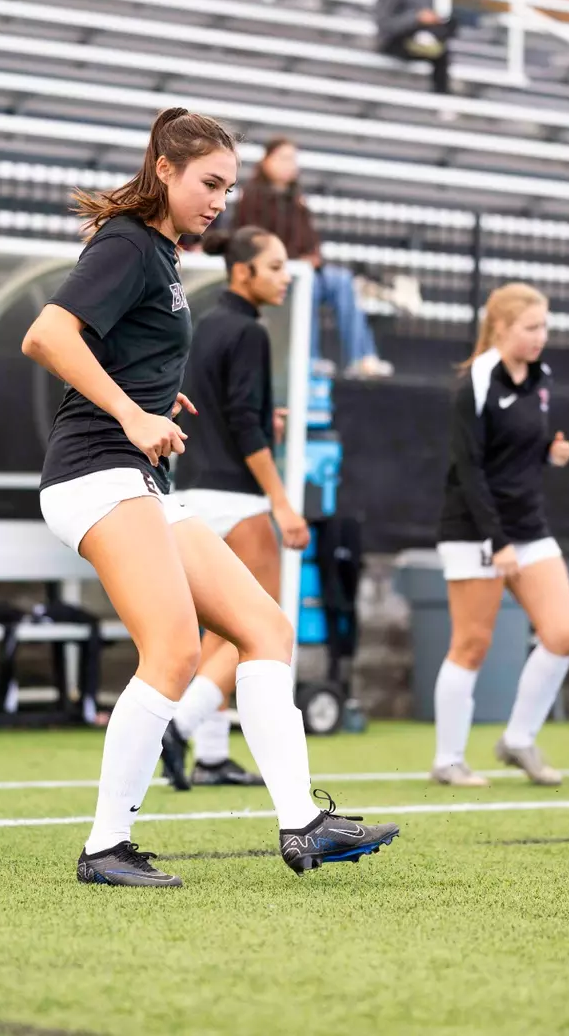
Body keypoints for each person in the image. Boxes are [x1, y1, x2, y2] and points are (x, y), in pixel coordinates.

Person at [21, 106, 398, 886]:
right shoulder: (129, 243)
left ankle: (303, 824)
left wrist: (157, 396)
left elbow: (119, 350)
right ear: (165, 168)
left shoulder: (159, 254)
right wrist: (130, 411)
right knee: (175, 649)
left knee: (264, 626)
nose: (219, 201)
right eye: (209, 183)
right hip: (94, 472)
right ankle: (104, 848)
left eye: (227, 187)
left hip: (134, 477)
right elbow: (48, 336)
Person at [159, 226, 311, 791]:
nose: (285, 276)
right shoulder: (249, 331)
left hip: (194, 491)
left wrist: (257, 420)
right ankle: (180, 724)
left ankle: (214, 756)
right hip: (237, 497)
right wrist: (283, 504)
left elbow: (218, 409)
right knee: (259, 630)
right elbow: (245, 426)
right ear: (242, 271)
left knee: (221, 633)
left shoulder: (206, 323)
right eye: (274, 266)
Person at [429, 284, 569, 790]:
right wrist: (498, 541)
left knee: (564, 634)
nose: (541, 337)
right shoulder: (476, 379)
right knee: (471, 645)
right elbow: (469, 469)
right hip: (475, 528)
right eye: (531, 328)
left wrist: (549, 454)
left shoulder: (542, 377)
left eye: (545, 327)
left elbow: (518, 451)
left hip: (528, 526)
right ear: (500, 328)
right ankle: (448, 759)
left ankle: (519, 739)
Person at [231, 137, 391, 378]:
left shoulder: (297, 199)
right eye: (284, 158)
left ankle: (362, 357)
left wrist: (313, 256)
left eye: (293, 160)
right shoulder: (252, 196)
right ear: (266, 161)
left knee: (343, 280)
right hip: (278, 271)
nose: (290, 165)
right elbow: (254, 240)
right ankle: (310, 357)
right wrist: (294, 260)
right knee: (310, 286)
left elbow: (310, 238)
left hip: (307, 267)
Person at [375, 0, 457, 95]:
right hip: (393, 41)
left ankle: (442, 95)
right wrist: (416, 17)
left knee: (447, 35)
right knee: (440, 54)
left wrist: (432, 20)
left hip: (418, 36)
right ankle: (442, 97)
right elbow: (384, 24)